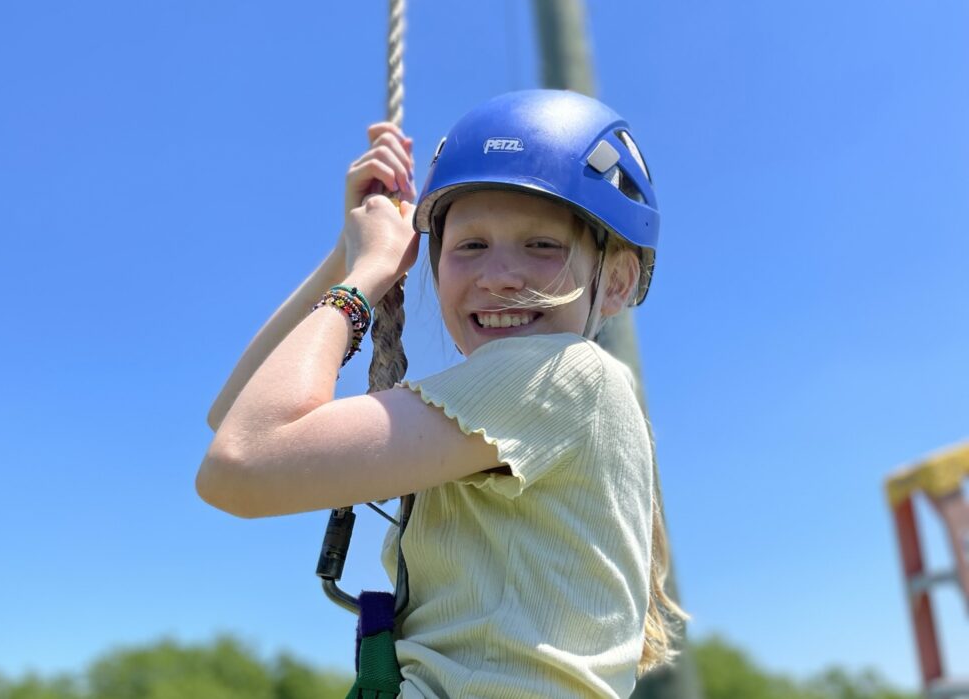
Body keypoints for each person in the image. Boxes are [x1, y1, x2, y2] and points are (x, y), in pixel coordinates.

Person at [197, 89, 687, 698]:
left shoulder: (560, 373)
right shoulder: (539, 402)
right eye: (470, 246)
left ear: (614, 279)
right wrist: (348, 258)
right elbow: (235, 420)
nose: (497, 274)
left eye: (542, 246)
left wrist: (362, 278)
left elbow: (240, 462)